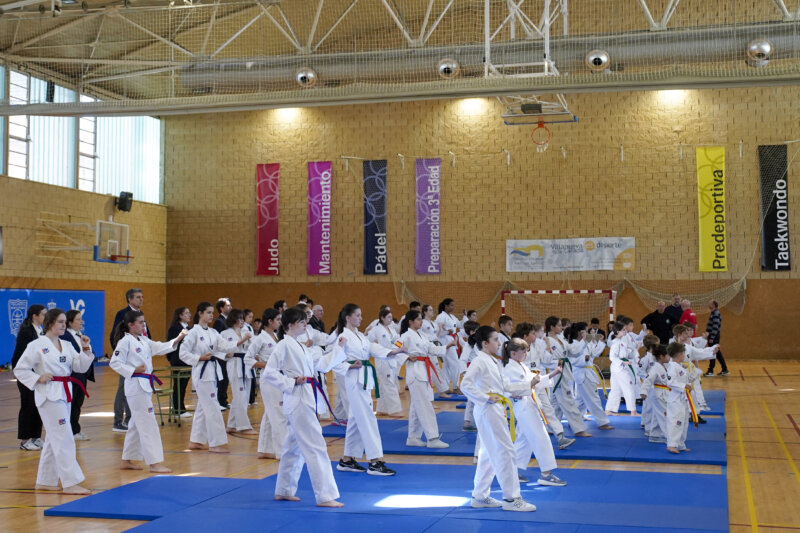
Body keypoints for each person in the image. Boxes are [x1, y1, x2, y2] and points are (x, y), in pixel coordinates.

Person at [261, 307, 347, 507]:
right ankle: (325, 495)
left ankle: (284, 490)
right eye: (301, 322)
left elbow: (321, 365)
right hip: (297, 396)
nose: (305, 324)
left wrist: (338, 348)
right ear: (290, 325)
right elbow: (269, 372)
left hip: (305, 396)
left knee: (293, 446)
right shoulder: (283, 345)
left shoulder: (300, 346)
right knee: (315, 445)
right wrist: (291, 381)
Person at [14, 308, 94, 494]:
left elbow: (80, 367)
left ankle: (46, 481)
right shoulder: (36, 345)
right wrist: (37, 378)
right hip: (48, 395)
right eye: (60, 322)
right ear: (49, 323)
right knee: (64, 436)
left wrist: (85, 348)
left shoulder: (66, 344)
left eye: (65, 322)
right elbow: (20, 369)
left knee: (53, 438)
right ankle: (70, 482)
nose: (64, 325)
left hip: (65, 393)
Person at [460, 325, 536, 512]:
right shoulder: (479, 361)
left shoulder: (493, 361)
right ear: (485, 343)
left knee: (487, 453)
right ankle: (511, 498)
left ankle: (480, 496)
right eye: (495, 339)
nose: (499, 343)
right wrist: (485, 398)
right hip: (488, 409)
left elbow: (506, 386)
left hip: (494, 408)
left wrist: (529, 385)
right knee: (506, 451)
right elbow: (465, 385)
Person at [110, 310, 187, 473]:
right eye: (140, 322)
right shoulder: (125, 341)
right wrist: (133, 370)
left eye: (144, 322)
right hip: (135, 386)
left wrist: (178, 338)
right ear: (130, 325)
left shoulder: (143, 340)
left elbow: (160, 347)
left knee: (136, 424)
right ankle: (154, 463)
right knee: (148, 424)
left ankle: (126, 460)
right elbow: (114, 363)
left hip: (144, 386)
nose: (143, 325)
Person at [333, 304, 404, 476]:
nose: (361, 318)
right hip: (354, 380)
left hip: (364, 379)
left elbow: (374, 348)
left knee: (355, 419)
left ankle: (347, 460)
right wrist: (349, 366)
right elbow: (334, 361)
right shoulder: (343, 336)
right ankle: (375, 461)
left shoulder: (360, 336)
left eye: (360, 315)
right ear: (348, 318)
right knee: (368, 419)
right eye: (357, 315)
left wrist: (394, 351)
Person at [501, 337, 566, 487]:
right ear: (513, 353)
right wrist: (528, 385)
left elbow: (535, 380)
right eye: (523, 352)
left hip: (528, 404)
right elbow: (507, 388)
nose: (526, 354)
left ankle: (513, 471)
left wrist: (554, 373)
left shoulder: (521, 366)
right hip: (523, 406)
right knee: (541, 437)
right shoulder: (508, 368)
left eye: (526, 351)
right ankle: (546, 474)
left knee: (524, 439)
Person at [179, 302, 237, 453]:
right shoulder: (193, 332)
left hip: (212, 372)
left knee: (202, 407)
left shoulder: (213, 332)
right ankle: (216, 443)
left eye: (212, 312)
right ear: (200, 313)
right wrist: (199, 358)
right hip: (201, 373)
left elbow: (226, 346)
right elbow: (182, 353)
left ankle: (196, 441)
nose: (212, 315)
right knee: (212, 407)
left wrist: (242, 339)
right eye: (208, 312)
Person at [515, 323, 574, 450]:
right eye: (532, 333)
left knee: (548, 409)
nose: (535, 335)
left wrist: (548, 349)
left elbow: (546, 360)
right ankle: (518, 443)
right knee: (527, 415)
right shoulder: (516, 349)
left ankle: (560, 436)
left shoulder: (537, 346)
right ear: (525, 336)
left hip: (538, 381)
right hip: (526, 385)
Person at [398, 310, 451, 449]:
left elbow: (431, 349)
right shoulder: (405, 336)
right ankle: (432, 438)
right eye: (418, 319)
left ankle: (413, 437)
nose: (421, 322)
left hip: (424, 371)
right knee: (425, 405)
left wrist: (447, 346)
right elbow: (395, 350)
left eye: (421, 319)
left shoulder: (422, 335)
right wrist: (407, 357)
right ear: (410, 322)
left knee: (417, 406)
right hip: (415, 372)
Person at [245, 308, 285, 459]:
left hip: (278, 376)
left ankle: (265, 449)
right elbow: (248, 359)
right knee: (278, 413)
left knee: (270, 413)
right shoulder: (259, 338)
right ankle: (282, 451)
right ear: (270, 321)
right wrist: (266, 365)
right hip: (268, 378)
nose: (280, 322)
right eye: (278, 320)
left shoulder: (276, 336)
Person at [111, 288, 150, 433]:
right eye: (138, 297)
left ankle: (130, 419)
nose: (141, 299)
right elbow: (115, 335)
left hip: (142, 358)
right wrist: (123, 356)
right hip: (129, 360)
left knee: (137, 391)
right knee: (123, 390)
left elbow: (146, 335)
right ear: (130, 299)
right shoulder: (123, 314)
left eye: (142, 297)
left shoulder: (140, 315)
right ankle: (118, 421)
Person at [545, 316, 590, 437]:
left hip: (563, 371)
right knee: (568, 400)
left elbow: (574, 352)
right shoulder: (546, 341)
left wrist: (583, 341)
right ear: (552, 327)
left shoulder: (560, 340)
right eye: (559, 325)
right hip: (557, 373)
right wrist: (556, 363)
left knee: (555, 403)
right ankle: (579, 429)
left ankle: (551, 428)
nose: (561, 327)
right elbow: (544, 360)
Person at [566, 322, 613, 430]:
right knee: (594, 399)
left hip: (587, 373)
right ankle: (602, 422)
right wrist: (585, 359)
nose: (587, 333)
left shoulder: (584, 343)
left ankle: (573, 420)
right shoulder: (573, 344)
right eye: (585, 331)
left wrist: (600, 342)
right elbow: (573, 360)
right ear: (580, 332)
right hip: (582, 374)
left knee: (581, 400)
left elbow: (594, 353)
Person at [13, 304, 46, 451]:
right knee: (28, 406)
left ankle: (36, 437)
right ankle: (25, 440)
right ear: (35, 316)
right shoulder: (26, 332)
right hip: (27, 376)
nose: (45, 317)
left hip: (39, 375)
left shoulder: (42, 331)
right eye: (43, 314)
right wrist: (22, 374)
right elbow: (19, 355)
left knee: (38, 405)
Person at [60, 310, 95, 441]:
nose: (82, 322)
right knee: (72, 402)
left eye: (81, 319)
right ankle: (70, 430)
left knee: (78, 403)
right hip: (72, 374)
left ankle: (75, 429)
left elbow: (86, 353)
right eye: (78, 319)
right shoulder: (65, 337)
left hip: (82, 374)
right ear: (70, 322)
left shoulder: (81, 335)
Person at [220, 309, 255, 434]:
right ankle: (243, 426)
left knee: (243, 396)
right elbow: (221, 349)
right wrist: (225, 355)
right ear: (233, 319)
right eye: (239, 318)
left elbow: (253, 347)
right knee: (239, 395)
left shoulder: (246, 331)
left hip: (246, 363)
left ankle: (231, 425)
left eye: (242, 318)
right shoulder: (225, 333)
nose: (241, 321)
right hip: (234, 364)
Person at [665, 342, 701, 454]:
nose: (685, 355)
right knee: (675, 421)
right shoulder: (672, 366)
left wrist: (696, 370)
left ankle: (680, 444)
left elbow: (687, 380)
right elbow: (670, 382)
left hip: (683, 398)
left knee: (684, 422)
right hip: (675, 399)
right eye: (684, 353)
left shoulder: (680, 366)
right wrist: (684, 386)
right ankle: (671, 445)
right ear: (679, 354)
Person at [368, 308, 404, 416]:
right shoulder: (376, 330)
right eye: (388, 317)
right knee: (389, 384)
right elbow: (368, 341)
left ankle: (381, 409)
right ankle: (394, 410)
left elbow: (399, 340)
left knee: (384, 384)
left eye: (391, 317)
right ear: (382, 318)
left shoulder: (391, 329)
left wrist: (395, 347)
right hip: (382, 359)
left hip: (392, 357)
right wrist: (375, 345)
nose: (390, 319)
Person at [605, 321, 638, 417]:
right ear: (617, 332)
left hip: (617, 369)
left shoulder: (621, 342)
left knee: (616, 390)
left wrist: (633, 352)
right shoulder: (615, 343)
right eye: (623, 330)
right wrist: (623, 362)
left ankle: (608, 410)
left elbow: (626, 354)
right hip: (620, 369)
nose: (625, 331)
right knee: (629, 388)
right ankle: (633, 411)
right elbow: (612, 357)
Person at [640, 343, 670, 444]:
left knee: (658, 415)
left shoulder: (664, 366)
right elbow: (648, 380)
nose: (669, 357)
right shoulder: (655, 368)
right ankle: (667, 436)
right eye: (668, 355)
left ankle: (655, 435)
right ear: (662, 356)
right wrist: (644, 392)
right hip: (658, 394)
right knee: (664, 415)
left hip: (663, 393)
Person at [166, 307, 192, 418]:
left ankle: (181, 408)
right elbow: (171, 344)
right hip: (178, 361)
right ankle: (177, 410)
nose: (189, 315)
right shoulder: (175, 328)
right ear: (180, 315)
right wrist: (171, 359)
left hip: (187, 361)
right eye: (186, 313)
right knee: (178, 385)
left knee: (184, 385)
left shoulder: (189, 328)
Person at [435, 298, 462, 394]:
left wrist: (466, 317)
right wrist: (447, 331)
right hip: (445, 341)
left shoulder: (452, 317)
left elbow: (460, 325)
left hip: (452, 340)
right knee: (455, 364)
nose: (453, 307)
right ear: (446, 306)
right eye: (451, 305)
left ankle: (445, 388)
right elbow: (437, 331)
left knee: (446, 366)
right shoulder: (441, 317)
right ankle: (455, 387)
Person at [213, 298, 232, 410]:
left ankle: (224, 401)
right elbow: (217, 340)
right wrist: (222, 353)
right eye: (228, 306)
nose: (230, 307)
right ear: (221, 308)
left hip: (228, 354)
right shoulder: (219, 321)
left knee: (226, 378)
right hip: (221, 355)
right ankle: (219, 401)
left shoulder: (228, 321)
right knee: (222, 378)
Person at [704, 300, 729, 376]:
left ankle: (711, 371)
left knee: (713, 352)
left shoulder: (716, 313)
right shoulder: (713, 313)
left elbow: (715, 327)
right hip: (712, 336)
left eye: (710, 303)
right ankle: (724, 369)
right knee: (717, 353)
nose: (708, 304)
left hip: (714, 337)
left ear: (714, 305)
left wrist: (712, 337)